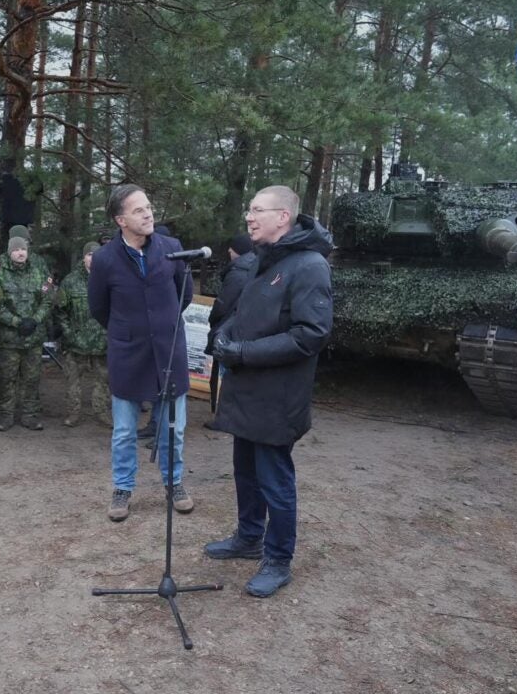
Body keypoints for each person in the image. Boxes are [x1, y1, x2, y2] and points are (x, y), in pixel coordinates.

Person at [206, 185, 333, 598]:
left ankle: (278, 559)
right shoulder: (264, 258)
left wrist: (243, 351)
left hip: (278, 397)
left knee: (274, 481)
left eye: (257, 209)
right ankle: (248, 538)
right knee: (245, 471)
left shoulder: (309, 265)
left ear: (283, 217)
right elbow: (245, 313)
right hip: (247, 390)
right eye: (249, 208)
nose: (249, 216)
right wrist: (225, 335)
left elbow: (310, 335)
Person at [87, 184, 194, 523]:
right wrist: (130, 331)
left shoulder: (172, 249)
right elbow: (98, 308)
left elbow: (184, 296)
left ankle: (174, 483)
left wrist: (161, 326)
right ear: (121, 220)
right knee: (123, 431)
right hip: (128, 354)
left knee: (172, 429)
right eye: (138, 210)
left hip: (169, 351)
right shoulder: (105, 260)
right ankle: (122, 488)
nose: (148, 214)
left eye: (148, 207)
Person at [0, 236, 51, 431]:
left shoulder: (39, 269)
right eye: (15, 250)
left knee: (32, 378)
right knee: (6, 378)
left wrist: (35, 319)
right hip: (8, 338)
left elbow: (48, 298)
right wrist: (16, 322)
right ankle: (4, 415)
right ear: (9, 252)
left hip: (33, 336)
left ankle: (29, 415)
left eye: (23, 249)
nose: (20, 253)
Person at [55, 241, 110, 428]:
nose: (93, 259)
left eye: (97, 255)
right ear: (83, 257)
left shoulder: (109, 280)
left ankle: (102, 412)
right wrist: (70, 335)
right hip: (76, 343)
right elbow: (60, 312)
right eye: (89, 255)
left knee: (103, 381)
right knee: (73, 382)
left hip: (102, 342)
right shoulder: (70, 282)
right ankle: (73, 413)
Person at [204, 233, 256, 418]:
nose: (228, 250)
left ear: (238, 251)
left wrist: (213, 319)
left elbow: (223, 303)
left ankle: (225, 415)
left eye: (232, 247)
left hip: (228, 329)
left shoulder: (238, 273)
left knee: (225, 375)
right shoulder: (254, 267)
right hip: (244, 329)